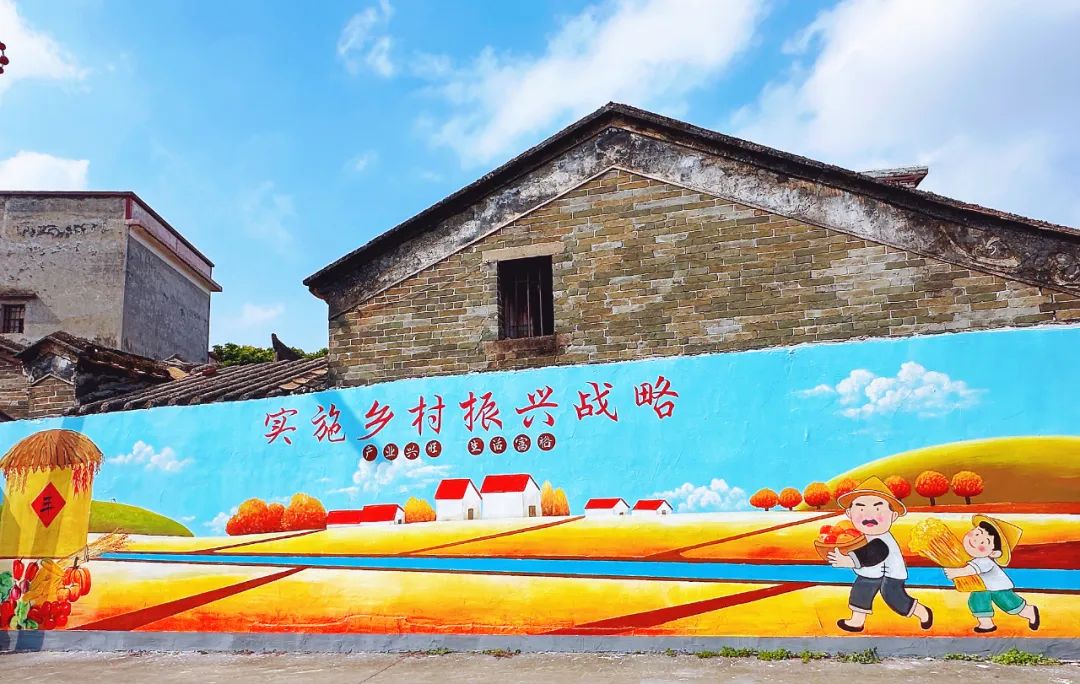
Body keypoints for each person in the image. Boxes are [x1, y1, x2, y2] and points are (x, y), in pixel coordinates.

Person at [827, 476, 933, 633]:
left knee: (894, 598)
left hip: (890, 575)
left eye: (878, 509)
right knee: (861, 591)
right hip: (871, 572)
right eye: (861, 509)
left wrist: (849, 561)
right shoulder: (865, 535)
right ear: (849, 513)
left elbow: (874, 554)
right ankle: (857, 621)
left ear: (893, 516)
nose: (869, 515)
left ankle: (923, 612)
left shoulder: (882, 539)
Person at [944, 515, 1040, 634]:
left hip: (999, 588)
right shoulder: (972, 558)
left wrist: (955, 572)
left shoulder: (985, 561)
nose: (975, 540)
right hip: (982, 587)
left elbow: (972, 570)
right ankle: (986, 623)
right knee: (977, 601)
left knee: (1010, 605)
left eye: (983, 542)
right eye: (977, 533)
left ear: (994, 553)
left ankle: (1029, 611)